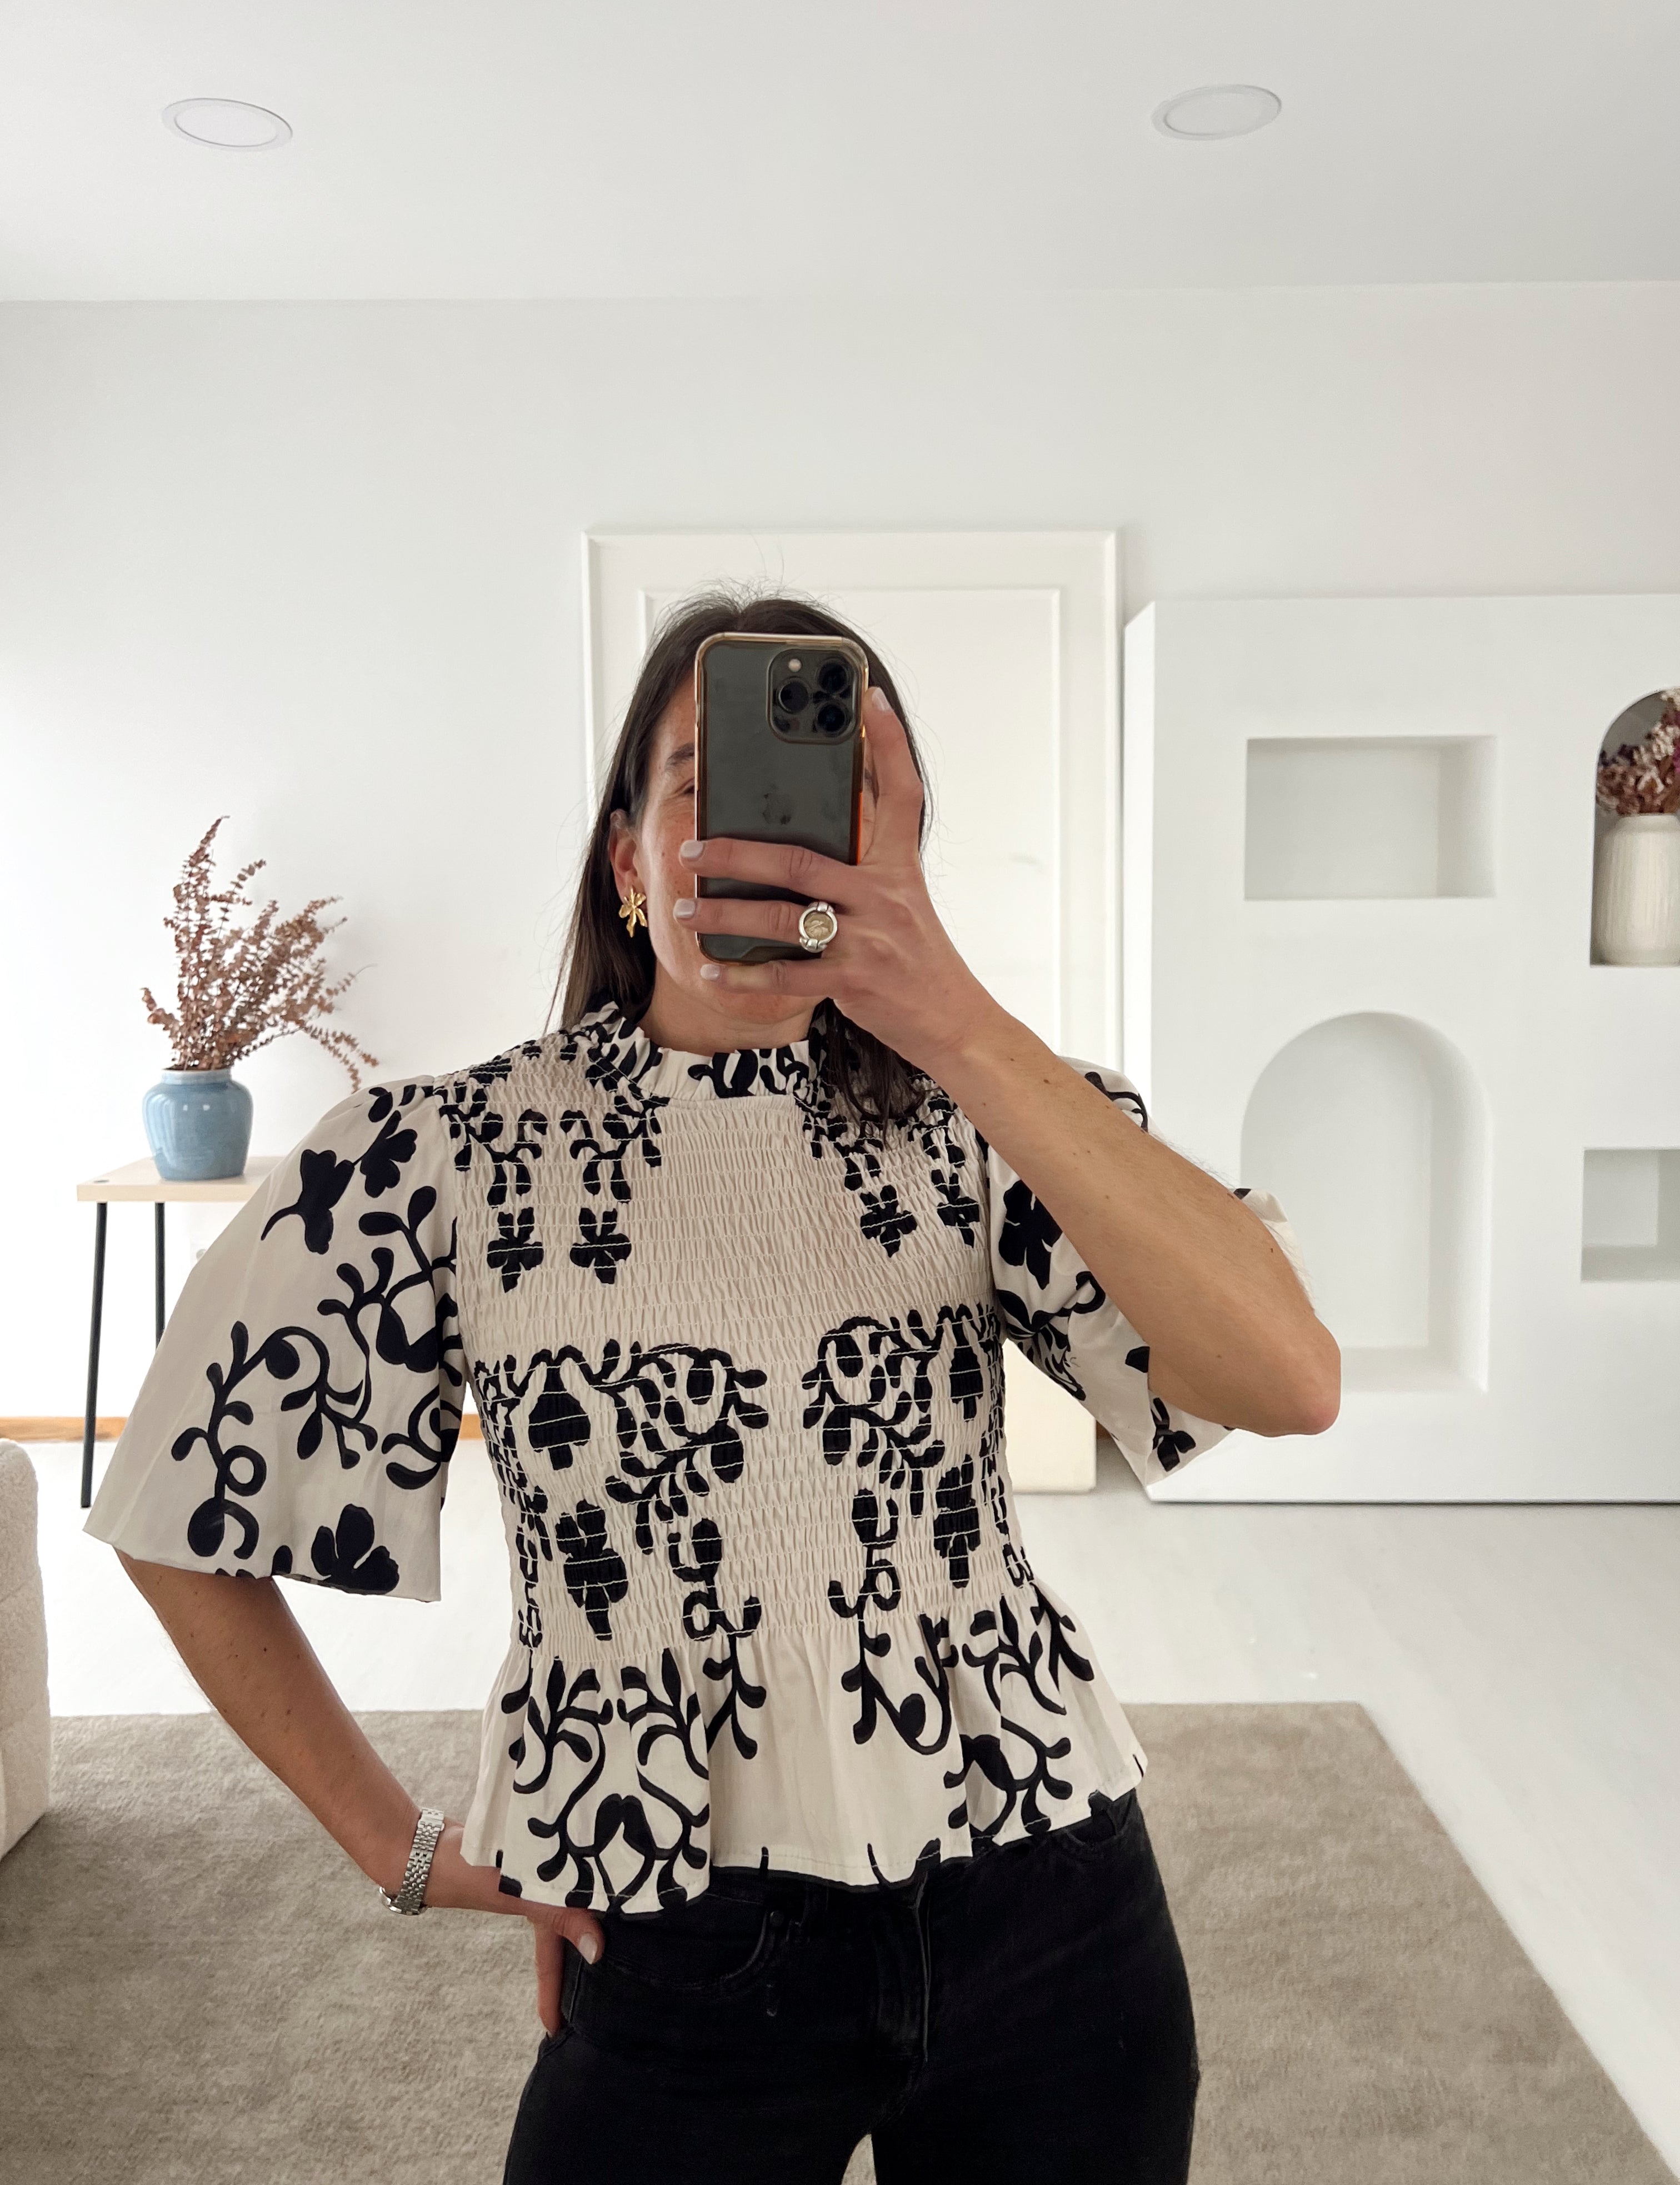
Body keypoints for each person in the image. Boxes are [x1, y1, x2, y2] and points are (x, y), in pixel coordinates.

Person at [84, 588, 1336, 2184]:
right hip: (667, 1918)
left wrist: (951, 1015)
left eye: (835, 806)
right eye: (705, 788)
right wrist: (400, 1847)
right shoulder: (449, 1160)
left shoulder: (994, 1120)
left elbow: (1290, 1380)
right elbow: (177, 1508)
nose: (770, 843)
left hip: (1050, 1892)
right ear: (627, 860)